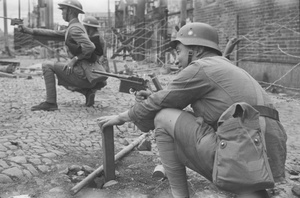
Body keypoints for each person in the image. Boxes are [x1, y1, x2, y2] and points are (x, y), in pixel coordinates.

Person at [97, 22, 287, 198]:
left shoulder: (200, 67)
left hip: (242, 149)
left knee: (163, 117)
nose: (177, 59)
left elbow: (162, 103)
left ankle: (179, 194)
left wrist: (122, 117)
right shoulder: (227, 67)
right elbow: (203, 107)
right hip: (266, 154)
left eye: (179, 51)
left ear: (196, 50)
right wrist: (161, 99)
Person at [18, 0, 107, 110]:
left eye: (63, 10)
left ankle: (50, 102)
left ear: (70, 11)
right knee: (63, 71)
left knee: (47, 65)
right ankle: (87, 91)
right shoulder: (76, 26)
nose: (62, 13)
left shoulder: (74, 29)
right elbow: (54, 34)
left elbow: (90, 47)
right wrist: (29, 30)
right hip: (88, 73)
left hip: (83, 74)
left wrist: (74, 59)